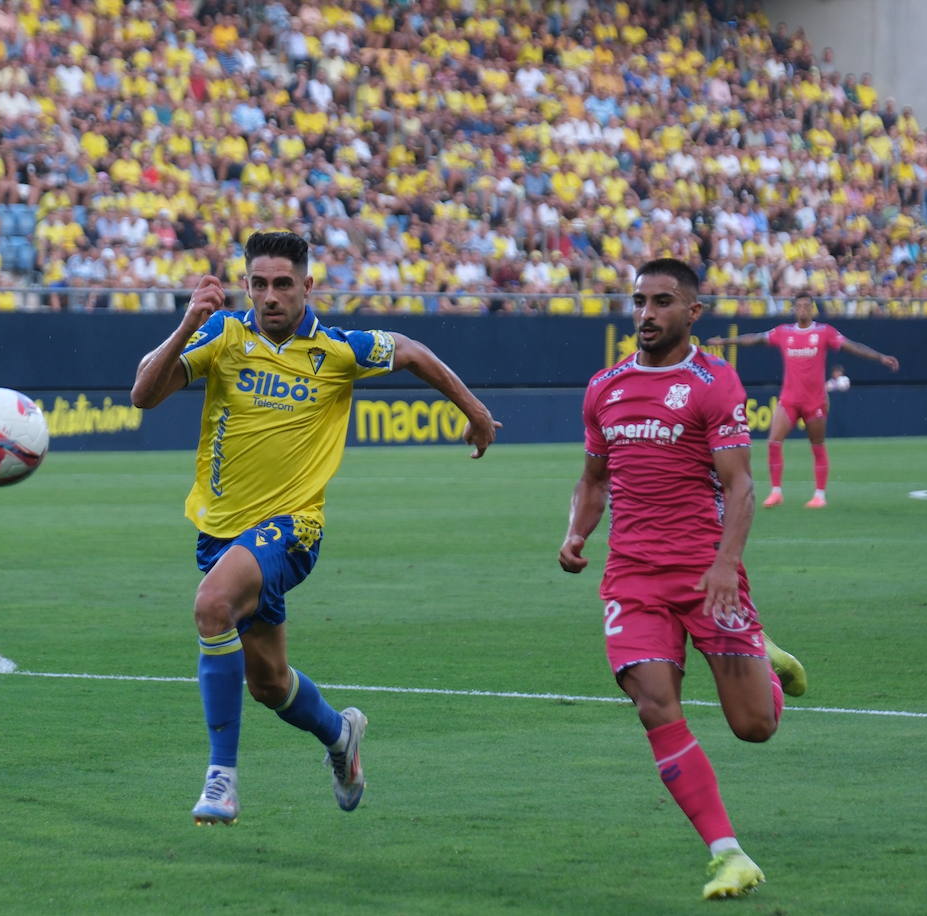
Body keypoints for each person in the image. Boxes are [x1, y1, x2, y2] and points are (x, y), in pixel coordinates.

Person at [131, 230, 499, 826]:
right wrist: (187, 323)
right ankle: (339, 735)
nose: (270, 296)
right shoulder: (222, 334)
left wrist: (475, 411)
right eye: (258, 284)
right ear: (245, 285)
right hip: (222, 532)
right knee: (270, 684)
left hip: (292, 528)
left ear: (307, 285)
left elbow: (411, 351)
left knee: (211, 605)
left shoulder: (338, 349)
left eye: (283, 284)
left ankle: (221, 778)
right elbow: (143, 394)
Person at [560, 258, 808, 900]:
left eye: (662, 301)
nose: (646, 313)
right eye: (639, 301)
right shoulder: (604, 387)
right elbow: (593, 480)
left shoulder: (713, 382)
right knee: (654, 705)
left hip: (706, 575)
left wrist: (725, 565)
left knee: (754, 727)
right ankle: (729, 854)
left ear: (692, 312)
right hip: (632, 578)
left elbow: (740, 485)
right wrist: (577, 532)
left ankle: (763, 656)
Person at [707, 294, 899, 508]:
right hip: (789, 399)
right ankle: (776, 492)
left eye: (806, 306)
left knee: (817, 444)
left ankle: (819, 495)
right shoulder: (783, 332)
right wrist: (726, 341)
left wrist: (879, 357)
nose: (802, 309)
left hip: (815, 401)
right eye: (798, 306)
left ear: (813, 309)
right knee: (773, 441)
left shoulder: (824, 332)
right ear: (793, 309)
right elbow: (755, 339)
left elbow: (852, 346)